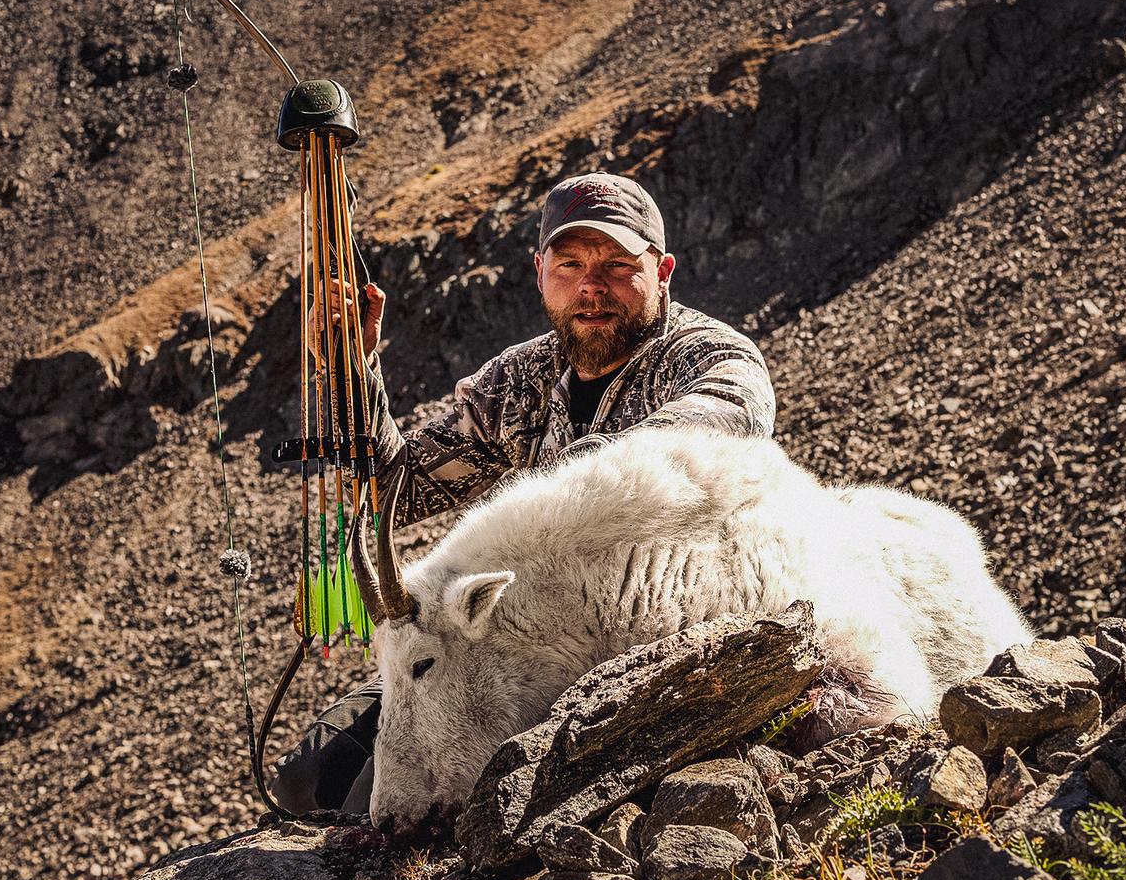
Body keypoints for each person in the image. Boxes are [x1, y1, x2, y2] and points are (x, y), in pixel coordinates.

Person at [272, 171, 776, 814]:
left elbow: (721, 426)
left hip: (643, 642)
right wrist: (353, 372)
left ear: (663, 270)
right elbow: (399, 485)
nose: (592, 286)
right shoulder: (519, 379)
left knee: (378, 807)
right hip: (491, 645)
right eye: (570, 264)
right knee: (306, 780)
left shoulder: (713, 357)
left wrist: (560, 503)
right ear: (540, 272)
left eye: (619, 264)